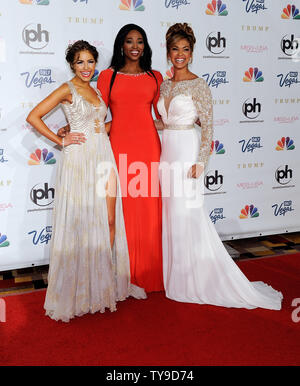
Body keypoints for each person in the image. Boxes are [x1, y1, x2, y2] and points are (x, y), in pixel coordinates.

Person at [156, 23, 283, 310]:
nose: (180, 54)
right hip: (168, 154)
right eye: (175, 49)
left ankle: (196, 279)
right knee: (173, 218)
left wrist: (201, 162)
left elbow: (209, 127)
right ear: (168, 52)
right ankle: (177, 278)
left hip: (188, 152)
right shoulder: (164, 85)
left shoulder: (199, 84)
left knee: (189, 215)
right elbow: (164, 122)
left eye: (185, 49)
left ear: (192, 52)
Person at [26, 40, 146, 322]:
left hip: (103, 154)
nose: (86, 67)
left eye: (90, 61)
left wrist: (122, 123)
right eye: (80, 62)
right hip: (79, 160)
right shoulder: (67, 89)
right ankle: (82, 290)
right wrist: (61, 139)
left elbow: (100, 125)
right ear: (72, 64)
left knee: (109, 220)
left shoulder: (96, 90)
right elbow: (34, 116)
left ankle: (104, 283)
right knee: (82, 224)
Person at [96, 24, 164, 293]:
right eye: (129, 41)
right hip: (117, 150)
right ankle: (123, 274)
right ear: (120, 46)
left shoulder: (156, 77)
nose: (135, 46)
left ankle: (150, 273)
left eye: (140, 41)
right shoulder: (107, 77)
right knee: (121, 212)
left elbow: (163, 116)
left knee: (149, 211)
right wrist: (73, 129)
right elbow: (97, 116)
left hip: (149, 150)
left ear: (145, 46)